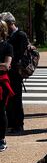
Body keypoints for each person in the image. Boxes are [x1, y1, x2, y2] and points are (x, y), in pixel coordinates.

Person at [0, 12, 29, 135]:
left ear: (10, 23)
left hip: (16, 73)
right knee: (9, 102)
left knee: (16, 100)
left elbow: (20, 54)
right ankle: (11, 124)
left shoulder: (20, 35)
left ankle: (18, 125)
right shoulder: (9, 36)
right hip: (8, 74)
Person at [0, 20, 15, 152]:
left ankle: (2, 138)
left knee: (1, 111)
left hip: (1, 82)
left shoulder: (7, 46)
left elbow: (6, 66)